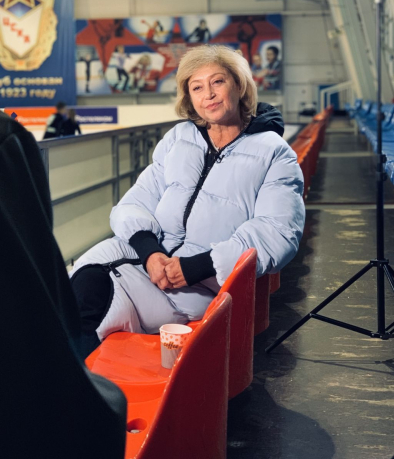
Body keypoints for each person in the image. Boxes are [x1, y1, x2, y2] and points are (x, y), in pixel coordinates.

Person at [70, 45, 305, 358]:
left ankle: (70, 383)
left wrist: (196, 267)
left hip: (198, 285)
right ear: (189, 97)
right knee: (76, 286)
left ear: (239, 85)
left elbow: (277, 232)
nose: (208, 94)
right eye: (197, 87)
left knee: (90, 308)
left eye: (217, 82)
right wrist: (150, 252)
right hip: (146, 259)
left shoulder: (274, 152)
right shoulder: (178, 138)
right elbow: (134, 202)